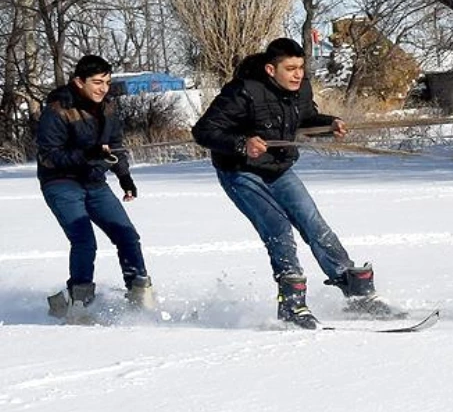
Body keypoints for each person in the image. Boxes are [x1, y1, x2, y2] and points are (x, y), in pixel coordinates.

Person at [191, 37, 391, 329]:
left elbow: (306, 118)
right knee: (278, 228)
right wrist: (241, 143)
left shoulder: (301, 89)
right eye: (291, 68)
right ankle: (292, 304)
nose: (298, 74)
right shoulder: (243, 92)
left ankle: (356, 291)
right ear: (271, 69)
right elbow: (203, 131)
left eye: (300, 67)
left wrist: (330, 124)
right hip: (240, 171)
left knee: (314, 223)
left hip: (279, 168)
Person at [37, 55, 155, 323]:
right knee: (84, 240)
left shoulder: (108, 108)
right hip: (60, 182)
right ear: (79, 82)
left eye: (108, 82)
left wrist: (124, 177)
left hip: (93, 180)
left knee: (127, 235)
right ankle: (80, 302)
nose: (103, 88)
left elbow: (115, 145)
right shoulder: (57, 110)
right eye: (97, 82)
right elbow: (49, 155)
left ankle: (139, 293)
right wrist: (85, 154)